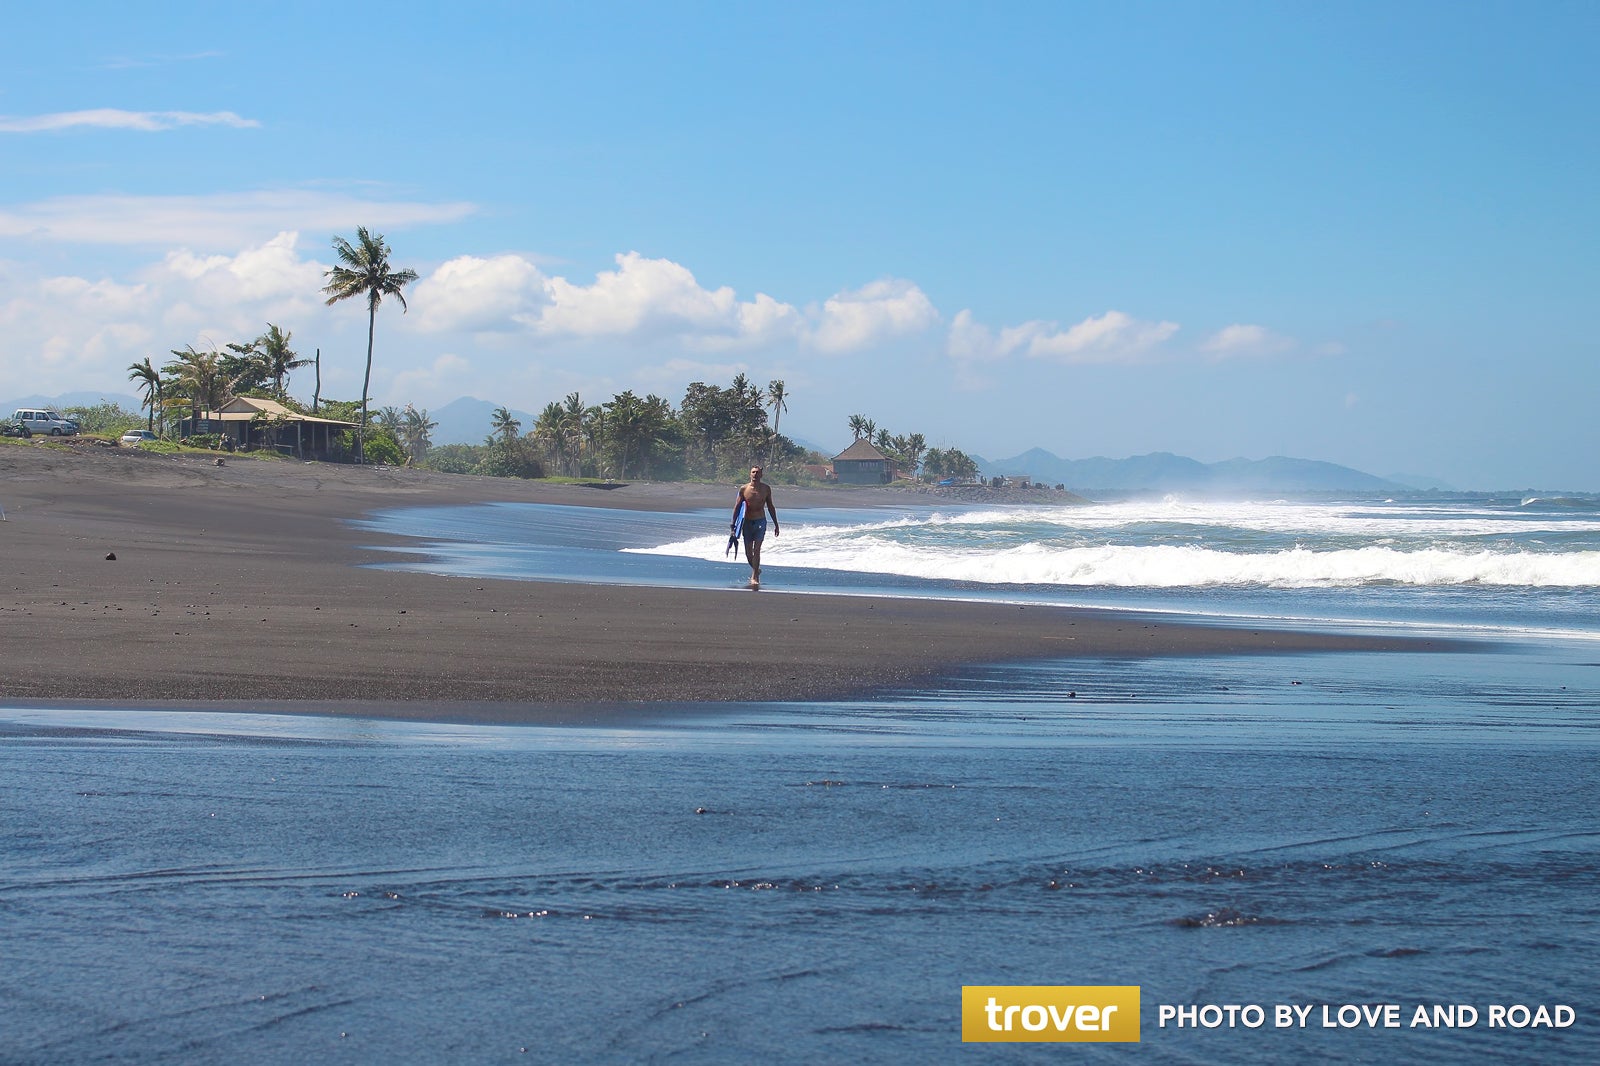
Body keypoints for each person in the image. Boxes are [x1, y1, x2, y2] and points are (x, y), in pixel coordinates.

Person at [732, 465, 779, 588]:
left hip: (760, 521)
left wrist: (776, 524)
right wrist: (733, 524)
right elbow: (737, 507)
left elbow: (770, 506)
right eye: (753, 472)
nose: (755, 474)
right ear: (750, 474)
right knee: (748, 553)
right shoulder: (744, 489)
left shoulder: (766, 489)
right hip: (746, 522)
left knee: (756, 549)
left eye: (757, 472)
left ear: (761, 475)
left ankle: (755, 576)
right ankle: (756, 569)